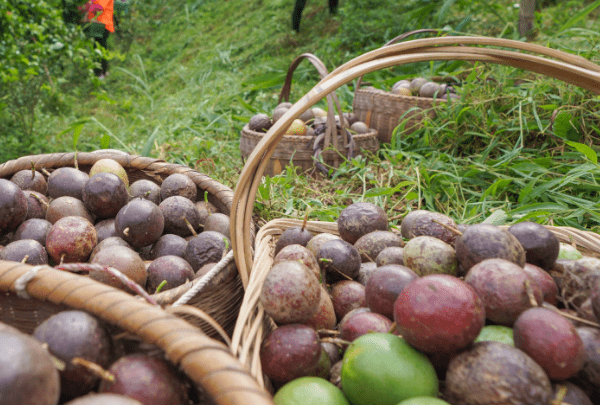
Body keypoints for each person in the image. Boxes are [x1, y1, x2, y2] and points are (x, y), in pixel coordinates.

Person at [81, 0, 115, 78]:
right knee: (99, 47)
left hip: (102, 25)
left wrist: (88, 10)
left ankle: (100, 72)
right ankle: (101, 71)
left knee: (100, 47)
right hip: (99, 24)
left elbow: (98, 7)